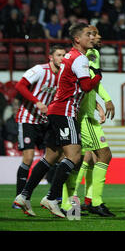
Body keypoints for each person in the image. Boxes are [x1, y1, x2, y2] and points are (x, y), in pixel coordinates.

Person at [14, 23, 102, 218]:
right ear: (77, 39)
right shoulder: (79, 59)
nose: (92, 37)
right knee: (74, 156)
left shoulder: (70, 57)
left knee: (51, 157)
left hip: (56, 111)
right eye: (88, 34)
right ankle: (52, 198)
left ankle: (24, 195)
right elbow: (87, 86)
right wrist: (98, 76)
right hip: (66, 111)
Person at [61, 25, 116, 217]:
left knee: (80, 159)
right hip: (83, 115)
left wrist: (98, 104)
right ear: (79, 38)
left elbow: (91, 83)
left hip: (82, 112)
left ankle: (70, 204)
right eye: (91, 34)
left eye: (97, 34)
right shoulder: (86, 56)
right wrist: (106, 100)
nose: (97, 37)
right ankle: (93, 202)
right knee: (102, 155)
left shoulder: (87, 55)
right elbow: (90, 82)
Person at [13, 45, 66, 210]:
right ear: (50, 57)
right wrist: (37, 102)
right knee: (28, 158)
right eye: (58, 55)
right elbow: (20, 86)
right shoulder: (39, 70)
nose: (62, 58)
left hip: (45, 121)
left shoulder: (63, 75)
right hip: (28, 118)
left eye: (64, 55)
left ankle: (53, 197)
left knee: (56, 157)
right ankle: (20, 198)